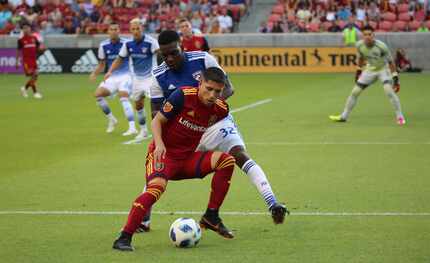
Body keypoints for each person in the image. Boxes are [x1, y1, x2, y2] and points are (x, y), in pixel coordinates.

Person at [139, 30, 288, 232]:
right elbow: (156, 114)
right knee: (159, 169)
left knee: (239, 155)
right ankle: (143, 220)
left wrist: (207, 111)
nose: (170, 58)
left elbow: (228, 88)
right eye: (165, 55)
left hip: (215, 122)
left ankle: (273, 203)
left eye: (174, 52)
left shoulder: (203, 58)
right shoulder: (158, 76)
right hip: (185, 129)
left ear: (181, 45)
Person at [113, 68, 235, 251]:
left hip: (186, 160)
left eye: (217, 91)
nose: (212, 95)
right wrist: (159, 144)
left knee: (226, 161)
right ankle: (124, 238)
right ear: (200, 82)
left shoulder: (221, 109)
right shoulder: (182, 95)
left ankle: (211, 215)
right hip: (163, 155)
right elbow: (157, 121)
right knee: (156, 189)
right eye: (208, 88)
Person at [329, 26, 406, 125]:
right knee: (355, 92)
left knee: (389, 91)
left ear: (373, 35)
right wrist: (358, 71)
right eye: (365, 34)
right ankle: (344, 116)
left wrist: (395, 78)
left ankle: (400, 116)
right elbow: (361, 58)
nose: (367, 37)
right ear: (362, 36)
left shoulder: (382, 46)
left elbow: (391, 62)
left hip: (383, 69)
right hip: (370, 69)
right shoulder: (359, 45)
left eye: (369, 34)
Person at [105, 18, 159, 141]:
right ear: (130, 30)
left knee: (156, 105)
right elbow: (119, 58)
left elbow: (161, 55)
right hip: (137, 80)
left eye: (137, 28)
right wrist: (110, 71)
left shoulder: (151, 42)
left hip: (151, 78)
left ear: (142, 28)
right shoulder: (128, 44)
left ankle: (161, 131)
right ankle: (144, 131)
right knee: (138, 106)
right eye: (133, 29)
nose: (135, 31)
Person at [90, 22, 136, 135]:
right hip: (111, 77)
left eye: (116, 29)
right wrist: (95, 74)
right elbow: (102, 64)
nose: (114, 31)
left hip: (126, 75)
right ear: (108, 31)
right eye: (112, 29)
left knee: (123, 96)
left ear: (119, 31)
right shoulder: (103, 45)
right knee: (98, 95)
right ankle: (112, 119)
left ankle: (132, 127)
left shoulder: (127, 43)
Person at [16, 22, 43, 99]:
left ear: (30, 29)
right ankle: (35, 93)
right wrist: (17, 61)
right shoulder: (21, 40)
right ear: (22, 30)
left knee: (35, 75)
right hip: (26, 61)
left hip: (33, 60)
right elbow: (18, 50)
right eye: (24, 28)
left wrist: (41, 49)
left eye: (27, 28)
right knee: (34, 75)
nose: (26, 29)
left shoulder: (34, 38)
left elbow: (39, 47)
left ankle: (24, 88)